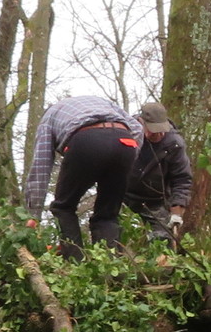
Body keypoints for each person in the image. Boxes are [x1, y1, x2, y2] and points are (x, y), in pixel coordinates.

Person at [23, 91, 141, 251]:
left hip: (87, 140)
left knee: (63, 208)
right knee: (107, 215)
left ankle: (75, 261)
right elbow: (137, 127)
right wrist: (127, 161)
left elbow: (41, 167)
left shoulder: (48, 118)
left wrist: (33, 215)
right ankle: (111, 263)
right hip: (125, 141)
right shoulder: (100, 100)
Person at [125, 100, 194, 241]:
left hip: (154, 201)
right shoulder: (126, 133)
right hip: (122, 194)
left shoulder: (174, 144)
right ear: (141, 123)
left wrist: (176, 212)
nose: (160, 134)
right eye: (154, 130)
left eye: (162, 129)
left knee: (163, 238)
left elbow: (182, 179)